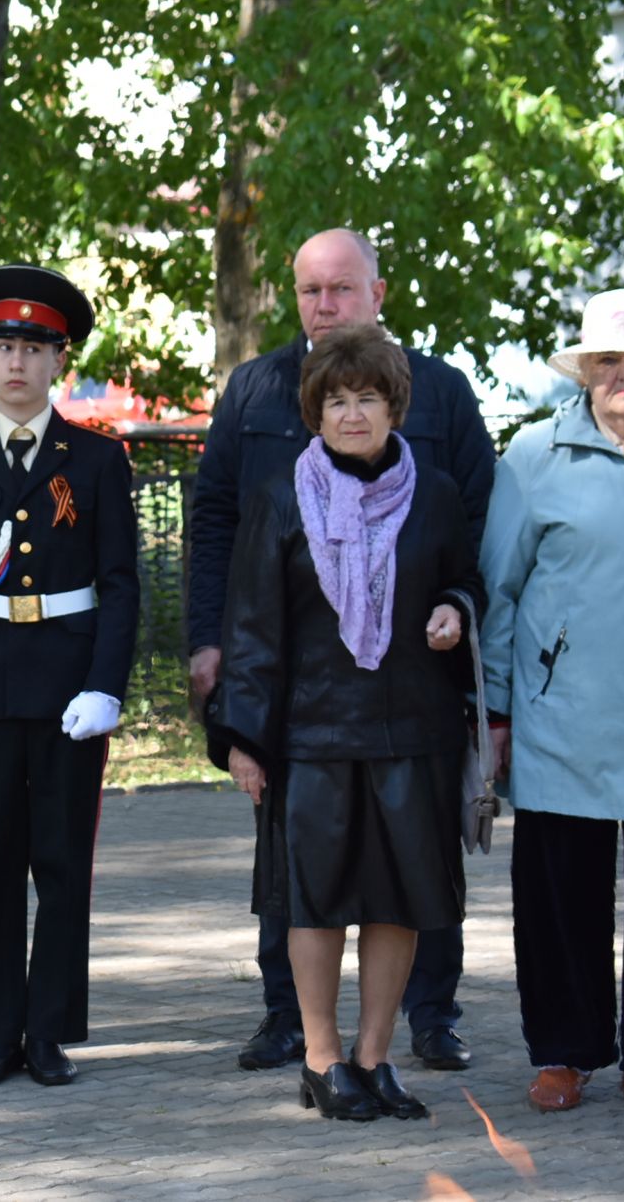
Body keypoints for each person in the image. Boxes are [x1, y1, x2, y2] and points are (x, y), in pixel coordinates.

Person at [187, 227, 495, 1073]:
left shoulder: (441, 395)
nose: (325, 306)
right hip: (305, 706)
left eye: (341, 289)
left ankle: (426, 1020)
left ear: (377, 294)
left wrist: (457, 610)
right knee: (306, 882)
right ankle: (293, 1024)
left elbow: (473, 536)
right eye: (310, 291)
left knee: (412, 879)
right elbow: (221, 533)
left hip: (410, 703)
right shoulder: (255, 393)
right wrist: (215, 667)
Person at [480, 288, 624, 1119]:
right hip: (560, 718)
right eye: (608, 358)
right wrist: (496, 714)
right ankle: (564, 1053)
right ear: (586, 370)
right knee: (560, 899)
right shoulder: (535, 455)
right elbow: (498, 591)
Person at [0, 264, 140, 1087]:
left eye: (34, 348)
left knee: (60, 863)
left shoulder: (94, 457)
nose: (16, 362)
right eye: (3, 344)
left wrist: (106, 685)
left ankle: (47, 1031)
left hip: (67, 688)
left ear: (60, 360)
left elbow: (121, 583)